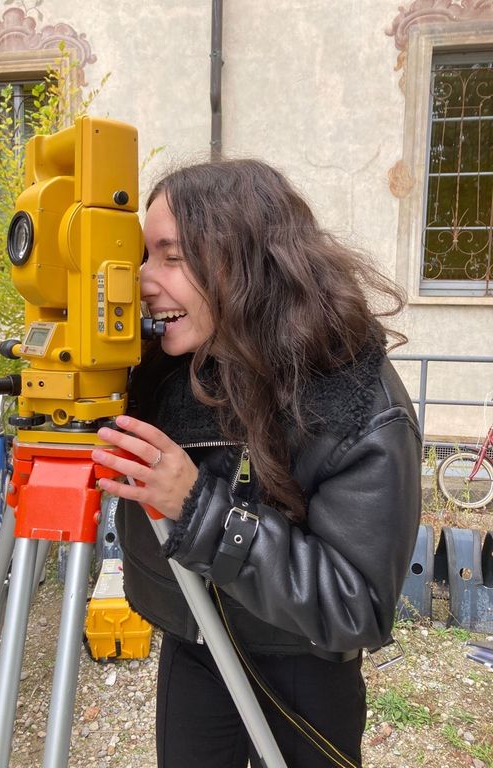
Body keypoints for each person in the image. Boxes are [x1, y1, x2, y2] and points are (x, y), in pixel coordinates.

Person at [91, 159, 422, 768]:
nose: (142, 280)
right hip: (195, 645)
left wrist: (199, 509)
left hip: (304, 668)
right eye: (142, 256)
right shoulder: (172, 368)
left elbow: (356, 603)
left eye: (170, 256)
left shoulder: (355, 399)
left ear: (245, 263)